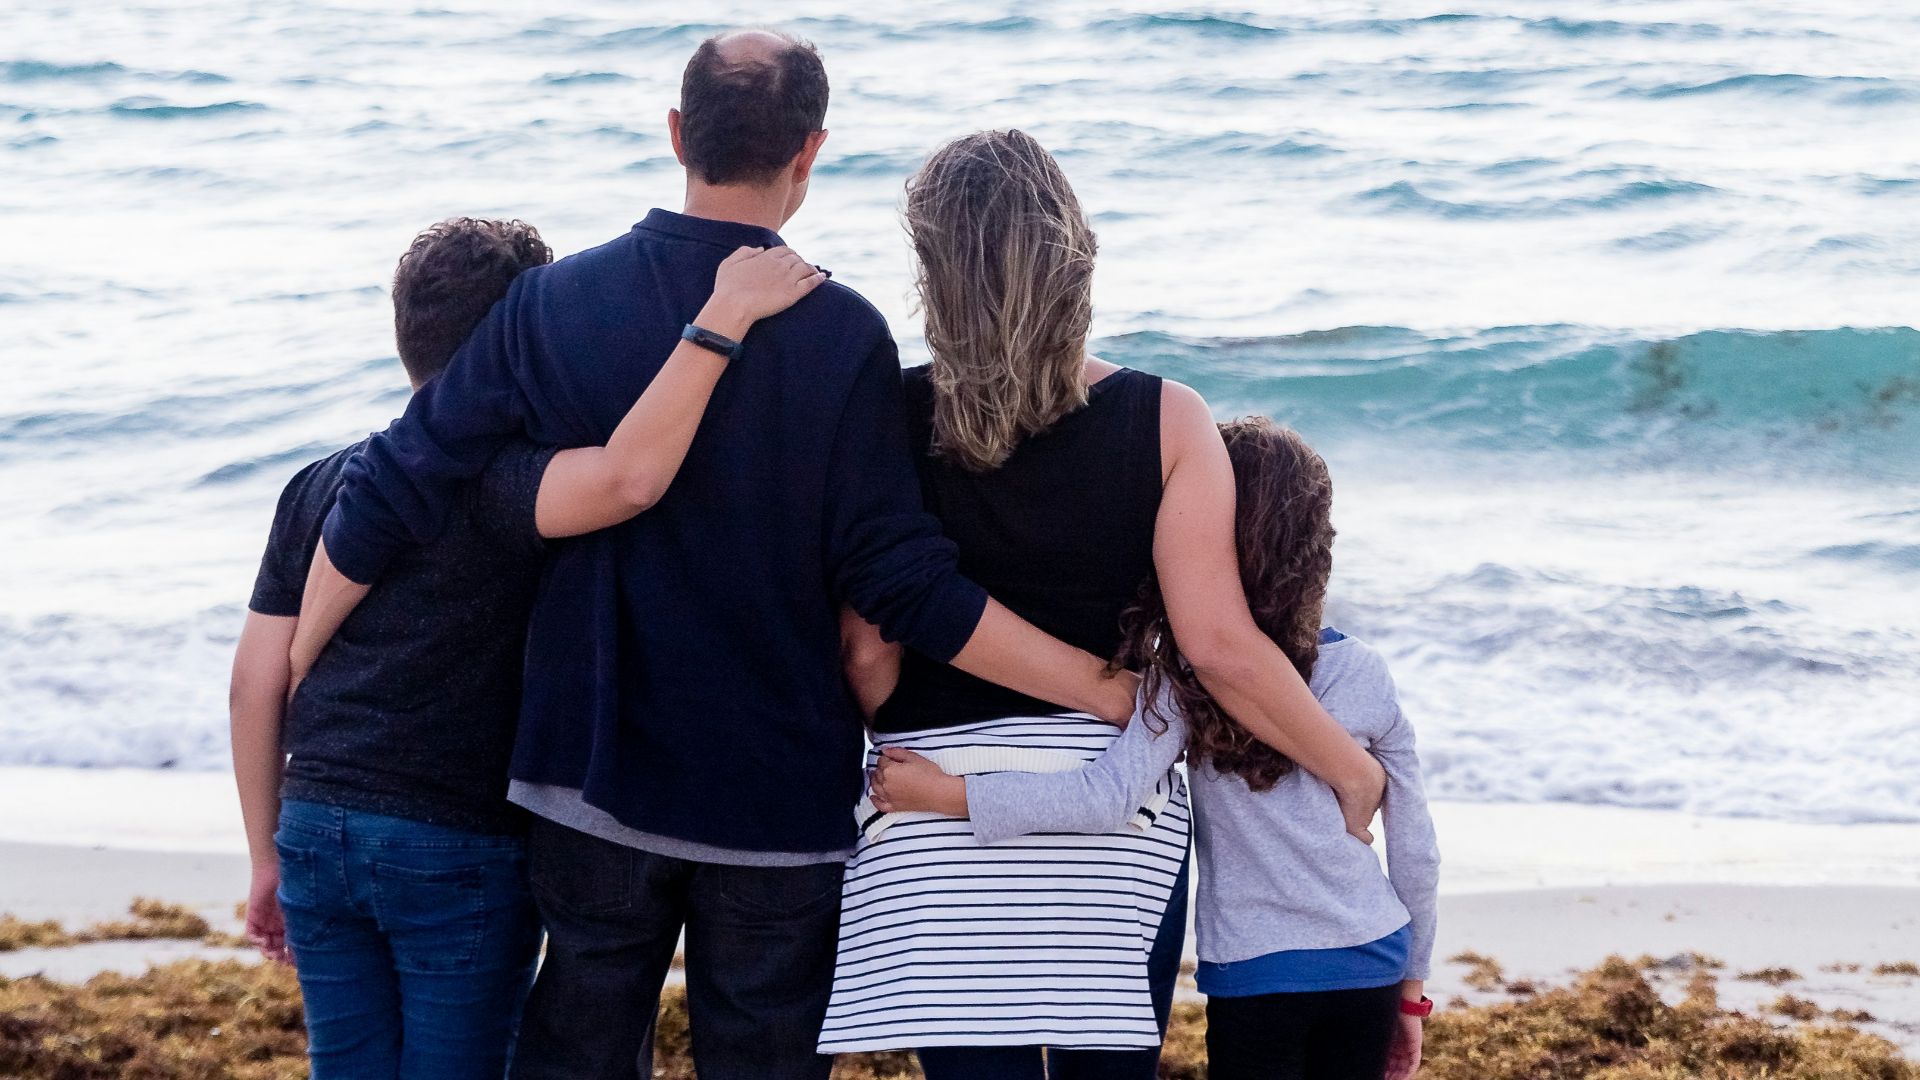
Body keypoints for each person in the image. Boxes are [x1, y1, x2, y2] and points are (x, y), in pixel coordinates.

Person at [292, 30, 1148, 1080]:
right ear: (811, 152)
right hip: (775, 799)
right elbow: (902, 583)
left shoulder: (553, 305)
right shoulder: (843, 334)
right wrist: (1104, 691)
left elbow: (398, 481)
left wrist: (297, 663)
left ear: (675, 134)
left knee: (580, 1055)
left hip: (589, 776)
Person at [818, 130, 1390, 1080]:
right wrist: (1348, 771)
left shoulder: (882, 412)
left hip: (936, 814)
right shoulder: (1168, 417)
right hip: (1110, 820)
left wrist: (894, 726)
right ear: (1074, 252)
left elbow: (867, 649)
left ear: (932, 269)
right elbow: (1219, 647)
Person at [231, 217, 828, 1079]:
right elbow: (631, 476)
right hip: (455, 839)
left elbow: (254, 686)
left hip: (316, 828)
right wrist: (722, 323)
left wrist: (264, 854)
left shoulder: (319, 485)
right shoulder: (509, 485)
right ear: (526, 337)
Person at [873, 419, 1442, 1080]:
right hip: (1372, 958)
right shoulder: (1365, 672)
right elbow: (1417, 850)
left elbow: (1105, 797)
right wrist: (1413, 993)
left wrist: (946, 793)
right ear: (1316, 541)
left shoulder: (1184, 676)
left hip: (1255, 977)